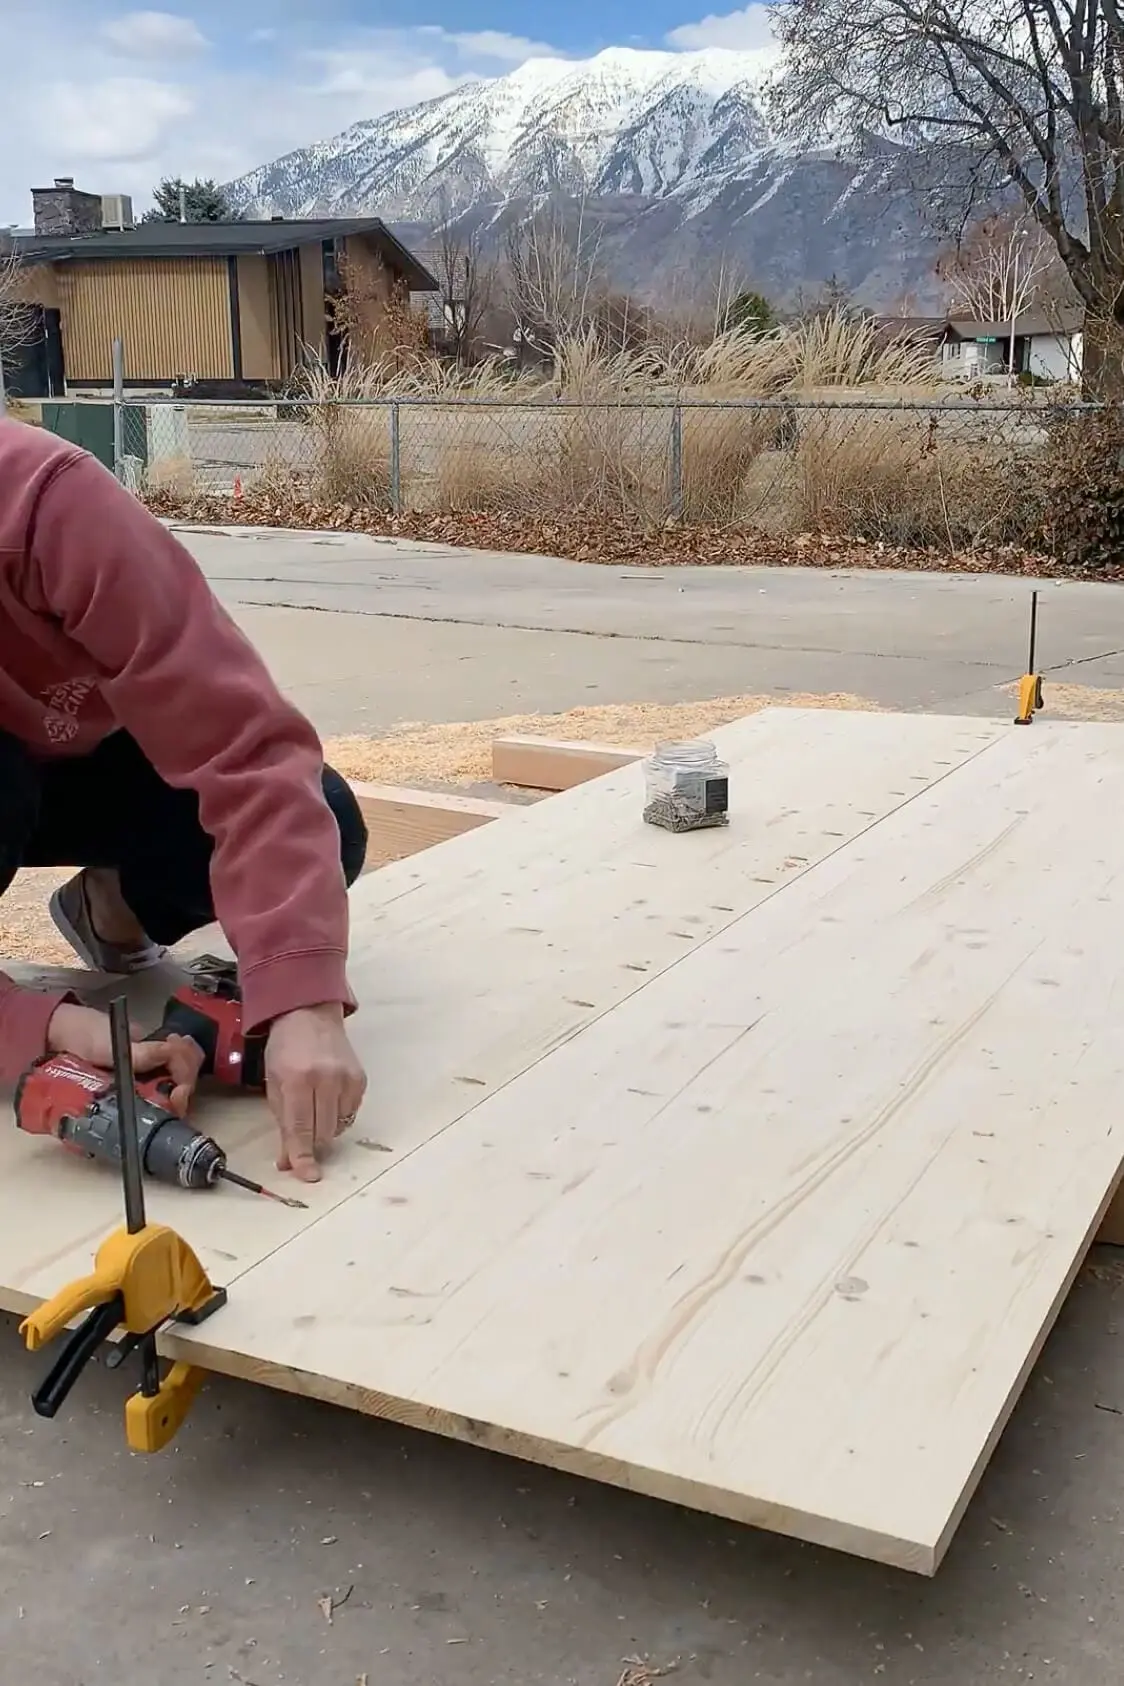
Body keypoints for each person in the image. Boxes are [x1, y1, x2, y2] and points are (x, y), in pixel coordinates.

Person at [0, 415, 368, 1183]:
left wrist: (303, 996)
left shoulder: (48, 505)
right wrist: (42, 1026)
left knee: (327, 820)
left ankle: (114, 906)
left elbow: (245, 746)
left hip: (100, 759)